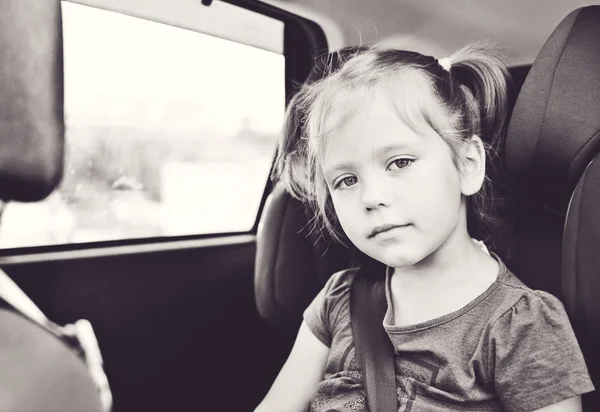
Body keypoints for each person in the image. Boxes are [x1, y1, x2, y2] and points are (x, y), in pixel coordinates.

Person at [254, 42, 595, 412]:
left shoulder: (523, 326)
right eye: (346, 180)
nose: (372, 196)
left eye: (400, 162)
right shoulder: (339, 299)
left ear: (467, 165)